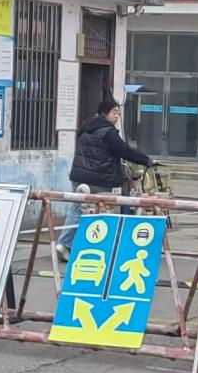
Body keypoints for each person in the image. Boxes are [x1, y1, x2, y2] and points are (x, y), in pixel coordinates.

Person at [56, 99, 156, 259]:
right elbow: (124, 151)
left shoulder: (87, 126)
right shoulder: (108, 132)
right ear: (105, 113)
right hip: (98, 178)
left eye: (118, 113)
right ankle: (90, 247)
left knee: (78, 208)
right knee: (97, 212)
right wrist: (147, 160)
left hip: (79, 175)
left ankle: (65, 243)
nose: (117, 116)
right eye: (114, 112)